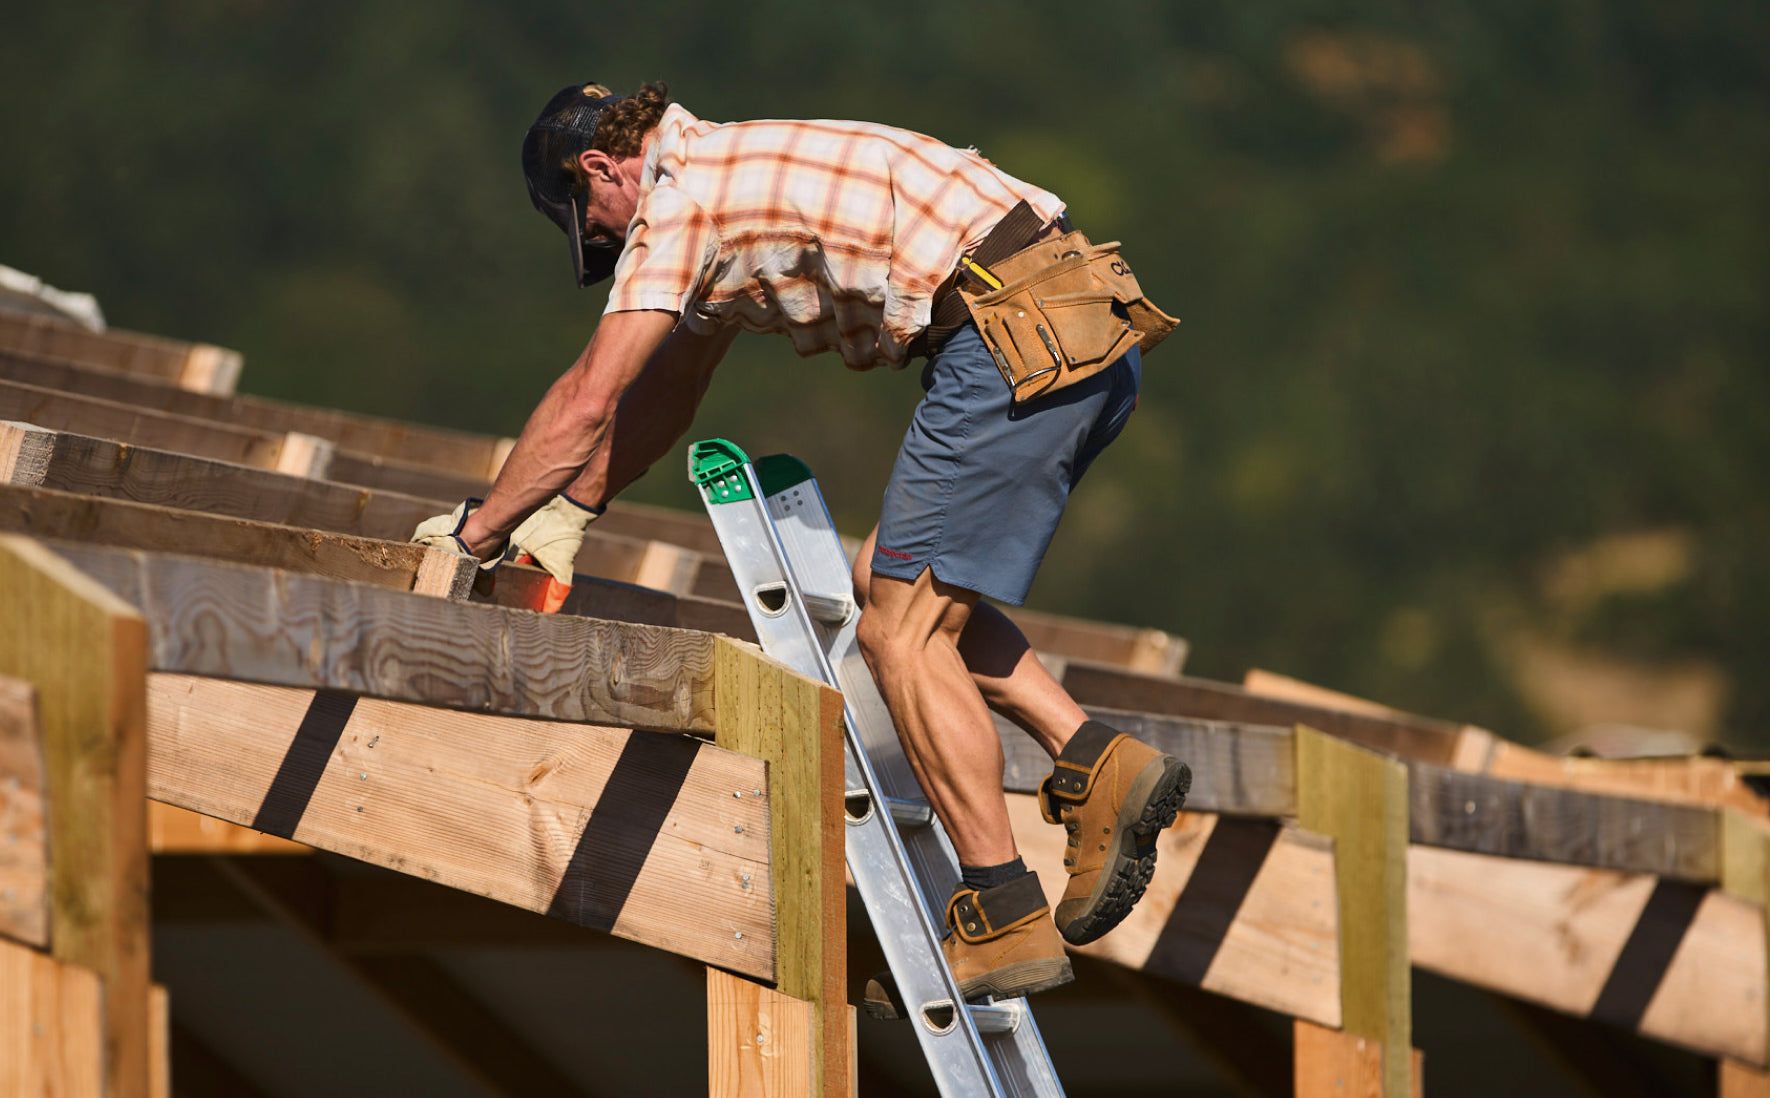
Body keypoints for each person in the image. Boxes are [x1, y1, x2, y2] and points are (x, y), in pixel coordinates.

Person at [413, 81, 1190, 1012]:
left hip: (1005, 338)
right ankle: (1096, 758)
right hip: (1077, 322)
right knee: (891, 587)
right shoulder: (728, 167)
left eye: (594, 221)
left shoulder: (679, 205)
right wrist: (574, 507)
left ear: (601, 168)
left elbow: (590, 396)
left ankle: (1001, 907)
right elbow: (669, 389)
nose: (611, 242)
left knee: (899, 636)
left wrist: (478, 532)